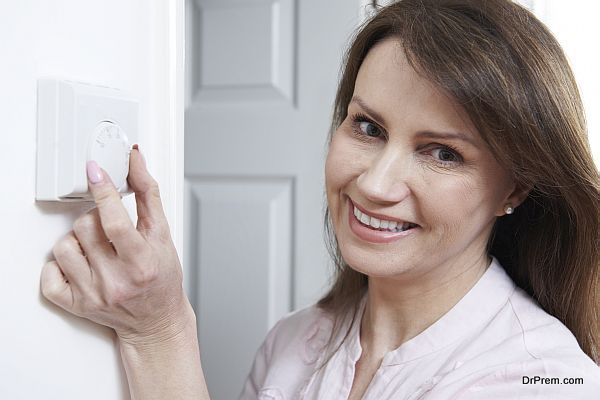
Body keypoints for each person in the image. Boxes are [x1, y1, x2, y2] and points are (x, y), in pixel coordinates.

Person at [41, 0, 599, 399]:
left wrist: (164, 333)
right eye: (368, 127)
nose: (376, 185)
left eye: (443, 154)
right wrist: (153, 330)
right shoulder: (293, 342)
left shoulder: (539, 379)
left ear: (516, 186)